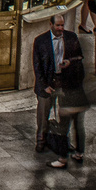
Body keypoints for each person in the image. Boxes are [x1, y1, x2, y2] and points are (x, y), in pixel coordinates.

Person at [32, 14, 83, 153]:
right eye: (58, 25)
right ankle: (41, 140)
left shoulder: (71, 37)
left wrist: (70, 62)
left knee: (65, 114)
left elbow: (79, 57)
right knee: (43, 114)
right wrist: (44, 85)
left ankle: (62, 141)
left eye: (62, 25)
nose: (61, 28)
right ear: (51, 25)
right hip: (48, 82)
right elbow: (37, 66)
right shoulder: (40, 41)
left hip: (65, 81)